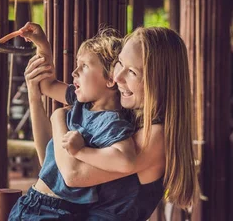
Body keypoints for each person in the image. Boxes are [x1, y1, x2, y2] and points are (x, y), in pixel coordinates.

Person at [8, 23, 196, 220]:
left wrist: (58, 117)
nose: (118, 77)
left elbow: (72, 174)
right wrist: (34, 96)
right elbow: (52, 166)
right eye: (120, 63)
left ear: (159, 80)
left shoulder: (155, 136)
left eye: (132, 72)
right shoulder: (123, 113)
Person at [7, 25, 138, 220]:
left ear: (111, 78)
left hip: (55, 211)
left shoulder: (110, 122)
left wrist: (81, 151)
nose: (74, 72)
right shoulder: (80, 102)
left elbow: (126, 159)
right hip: (32, 202)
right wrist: (43, 46)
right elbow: (46, 84)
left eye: (84, 66)